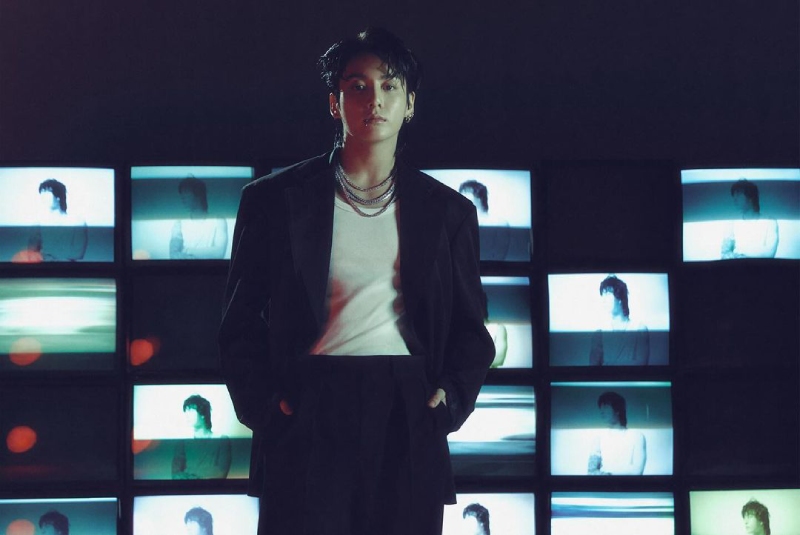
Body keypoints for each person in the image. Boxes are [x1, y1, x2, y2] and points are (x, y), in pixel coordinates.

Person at [219, 28, 494, 535]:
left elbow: (472, 332)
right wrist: (268, 407)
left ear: (410, 104)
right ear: (334, 102)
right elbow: (238, 323)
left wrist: (448, 398)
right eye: (358, 86)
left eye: (390, 86)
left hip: (405, 408)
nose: (375, 100)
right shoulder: (273, 200)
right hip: (309, 403)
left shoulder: (448, 212)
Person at [589, 275, 650, 366]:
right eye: (603, 295)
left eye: (608, 294)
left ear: (620, 298)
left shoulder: (639, 329)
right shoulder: (599, 333)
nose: (604, 300)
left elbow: (642, 364)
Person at [172, 394, 232, 479]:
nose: (187, 415)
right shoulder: (182, 443)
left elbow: (220, 473)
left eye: (191, 410)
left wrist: (191, 477)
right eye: (186, 411)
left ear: (203, 414)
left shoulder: (222, 441)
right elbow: (175, 474)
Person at [587, 391, 646, 475]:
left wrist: (606, 471)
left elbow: (637, 471)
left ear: (617, 409)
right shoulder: (599, 438)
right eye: (601, 408)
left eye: (606, 407)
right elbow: (591, 471)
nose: (602, 411)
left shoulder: (637, 436)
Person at [28, 178, 88, 261]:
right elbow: (31, 252)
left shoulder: (77, 222)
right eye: (42, 194)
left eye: (47, 194)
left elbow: (78, 253)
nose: (43, 198)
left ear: (58, 197)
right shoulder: (39, 223)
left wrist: (48, 254)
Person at [170, 176, 228, 259]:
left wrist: (186, 251)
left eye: (186, 193)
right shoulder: (179, 223)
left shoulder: (218, 220)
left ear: (198, 194)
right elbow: (173, 255)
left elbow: (219, 253)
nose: (182, 197)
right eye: (182, 194)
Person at [721, 179, 779, 259]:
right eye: (734, 195)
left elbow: (769, 253)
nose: (735, 199)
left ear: (750, 197)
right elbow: (724, 253)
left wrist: (739, 255)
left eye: (738, 194)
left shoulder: (770, 222)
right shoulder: (732, 223)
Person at [458, 180, 511, 260]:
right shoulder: (460, 225)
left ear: (479, 198)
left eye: (466, 192)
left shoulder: (500, 223)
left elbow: (499, 255)